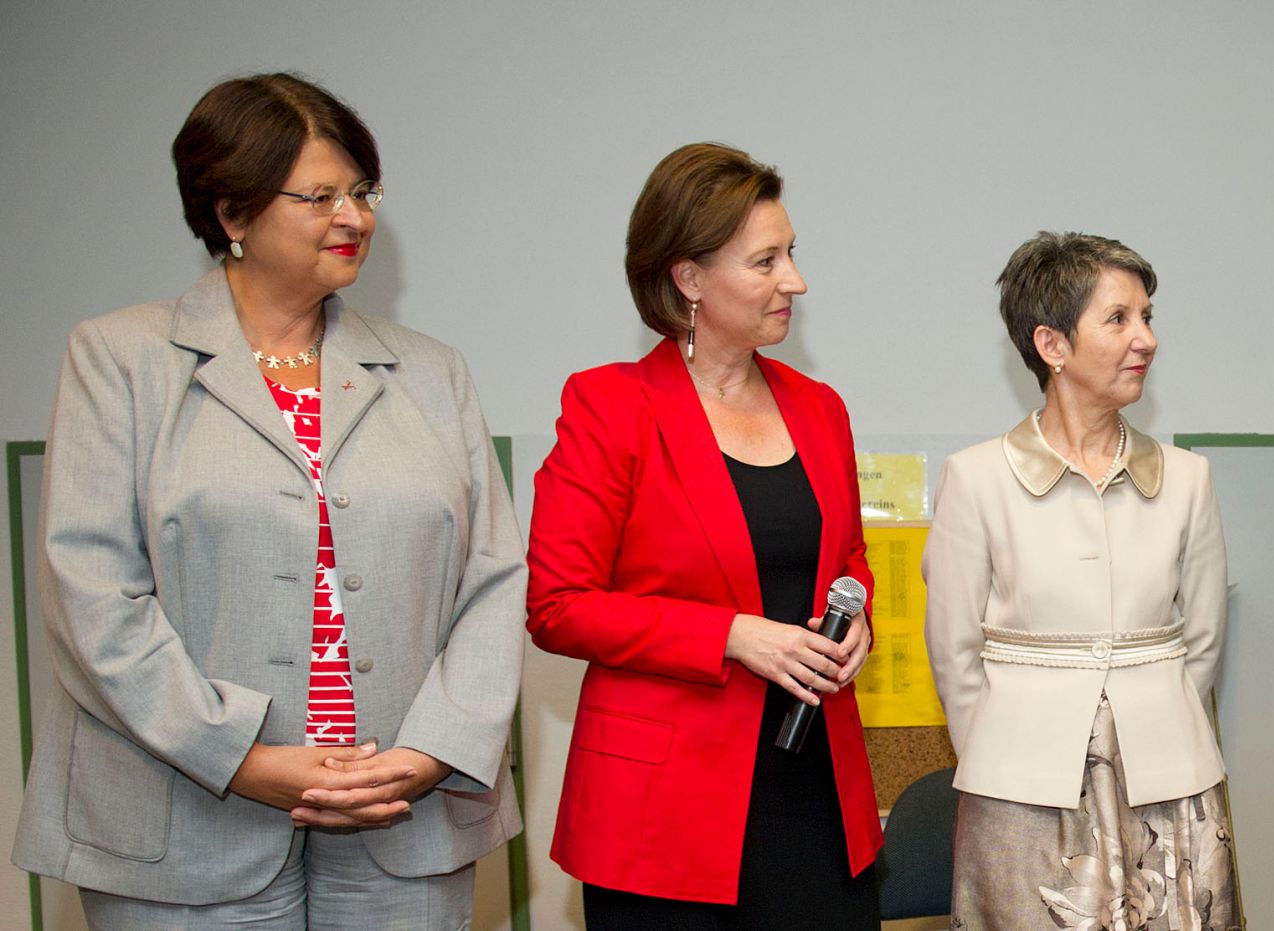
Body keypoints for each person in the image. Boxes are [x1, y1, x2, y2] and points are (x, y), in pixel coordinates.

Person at [9, 73, 527, 928]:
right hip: (187, 816)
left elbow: (493, 580)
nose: (354, 216)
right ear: (232, 214)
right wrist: (241, 754)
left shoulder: (433, 372)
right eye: (319, 195)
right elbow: (92, 596)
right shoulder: (120, 358)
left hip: (403, 808)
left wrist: (434, 748)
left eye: (362, 191)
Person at [525, 142, 882, 928]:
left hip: (816, 793)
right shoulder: (608, 408)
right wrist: (730, 634)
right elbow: (558, 606)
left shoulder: (819, 408)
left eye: (792, 253)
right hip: (664, 815)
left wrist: (857, 619)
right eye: (766, 261)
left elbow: (844, 557)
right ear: (689, 278)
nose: (796, 279)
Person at [923, 232, 1239, 930]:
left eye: (1148, 316)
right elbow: (954, 654)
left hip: (1171, 783)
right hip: (1020, 791)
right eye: (1119, 318)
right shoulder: (974, 479)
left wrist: (1162, 726)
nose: (1146, 338)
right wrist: (1008, 757)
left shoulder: (1189, 480)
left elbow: (1205, 644)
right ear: (1052, 344)